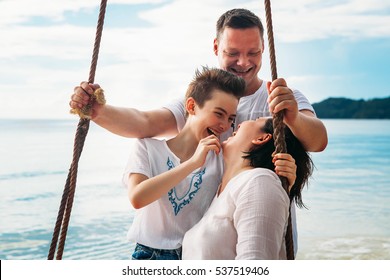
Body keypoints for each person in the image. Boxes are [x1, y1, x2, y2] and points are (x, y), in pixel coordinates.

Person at [69, 8, 327, 254]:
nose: (243, 62)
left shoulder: (282, 99)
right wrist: (97, 111)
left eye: (253, 53)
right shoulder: (204, 100)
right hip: (207, 244)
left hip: (261, 237)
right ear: (216, 47)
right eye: (233, 52)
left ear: (263, 50)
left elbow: (317, 141)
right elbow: (145, 122)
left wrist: (292, 115)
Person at [123, 67, 297, 260]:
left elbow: (249, 188)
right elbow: (138, 197)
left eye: (231, 118)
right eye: (219, 113)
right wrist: (193, 163)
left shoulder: (219, 157)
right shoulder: (147, 148)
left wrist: (286, 178)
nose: (224, 125)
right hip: (149, 256)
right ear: (191, 106)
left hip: (194, 253)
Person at [182, 117, 314, 259]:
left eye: (256, 120)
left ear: (262, 138)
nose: (239, 124)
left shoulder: (260, 182)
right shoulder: (225, 189)